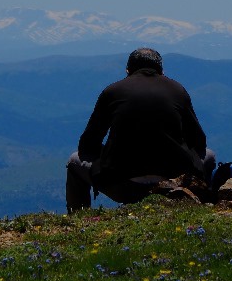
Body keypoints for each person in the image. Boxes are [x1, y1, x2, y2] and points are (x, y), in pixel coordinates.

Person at [66, 47, 217, 212]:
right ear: (161, 71)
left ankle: (79, 217)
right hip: (172, 185)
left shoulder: (112, 91)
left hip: (123, 187)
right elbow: (199, 142)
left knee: (75, 161)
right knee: (209, 155)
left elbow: (88, 144)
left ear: (128, 70)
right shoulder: (177, 90)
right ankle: (201, 208)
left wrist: (109, 153)